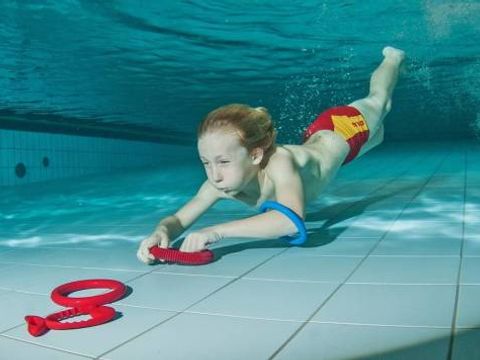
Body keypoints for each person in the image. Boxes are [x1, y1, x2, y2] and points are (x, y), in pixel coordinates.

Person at [137, 46, 405, 264]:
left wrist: (217, 231)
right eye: (206, 163)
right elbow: (178, 220)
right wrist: (162, 231)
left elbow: (291, 219)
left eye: (224, 162)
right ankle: (379, 117)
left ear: (255, 155)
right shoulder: (218, 185)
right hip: (334, 152)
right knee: (378, 135)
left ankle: (393, 56)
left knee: (381, 102)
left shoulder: (279, 161)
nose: (214, 175)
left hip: (341, 130)